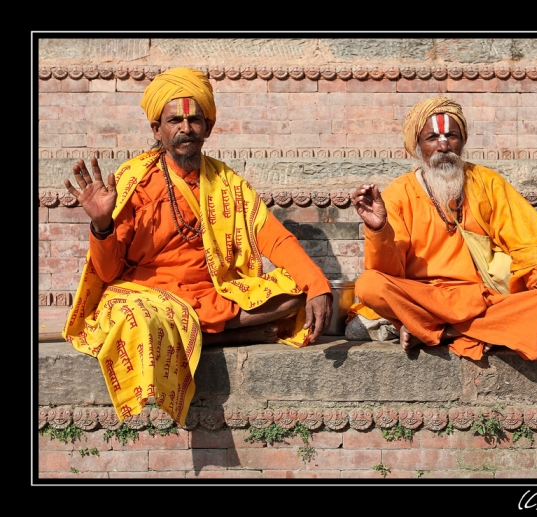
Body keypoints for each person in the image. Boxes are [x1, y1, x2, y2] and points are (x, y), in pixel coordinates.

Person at [62, 67, 333, 425]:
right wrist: (101, 224)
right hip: (148, 296)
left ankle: (203, 334)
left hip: (212, 292)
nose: (186, 128)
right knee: (140, 322)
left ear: (208, 127)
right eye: (175, 120)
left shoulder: (227, 182)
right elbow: (109, 272)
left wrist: (318, 286)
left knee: (299, 288)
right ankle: (236, 335)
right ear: (156, 129)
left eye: (195, 119)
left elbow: (275, 237)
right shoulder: (132, 182)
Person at [350, 96, 537, 361]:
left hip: (485, 298)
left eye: (452, 136)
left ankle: (441, 332)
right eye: (432, 137)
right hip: (427, 297)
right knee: (368, 284)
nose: (443, 146)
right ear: (418, 146)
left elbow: (530, 240)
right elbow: (389, 271)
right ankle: (489, 329)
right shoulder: (400, 193)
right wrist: (378, 229)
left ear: (462, 140)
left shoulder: (488, 183)